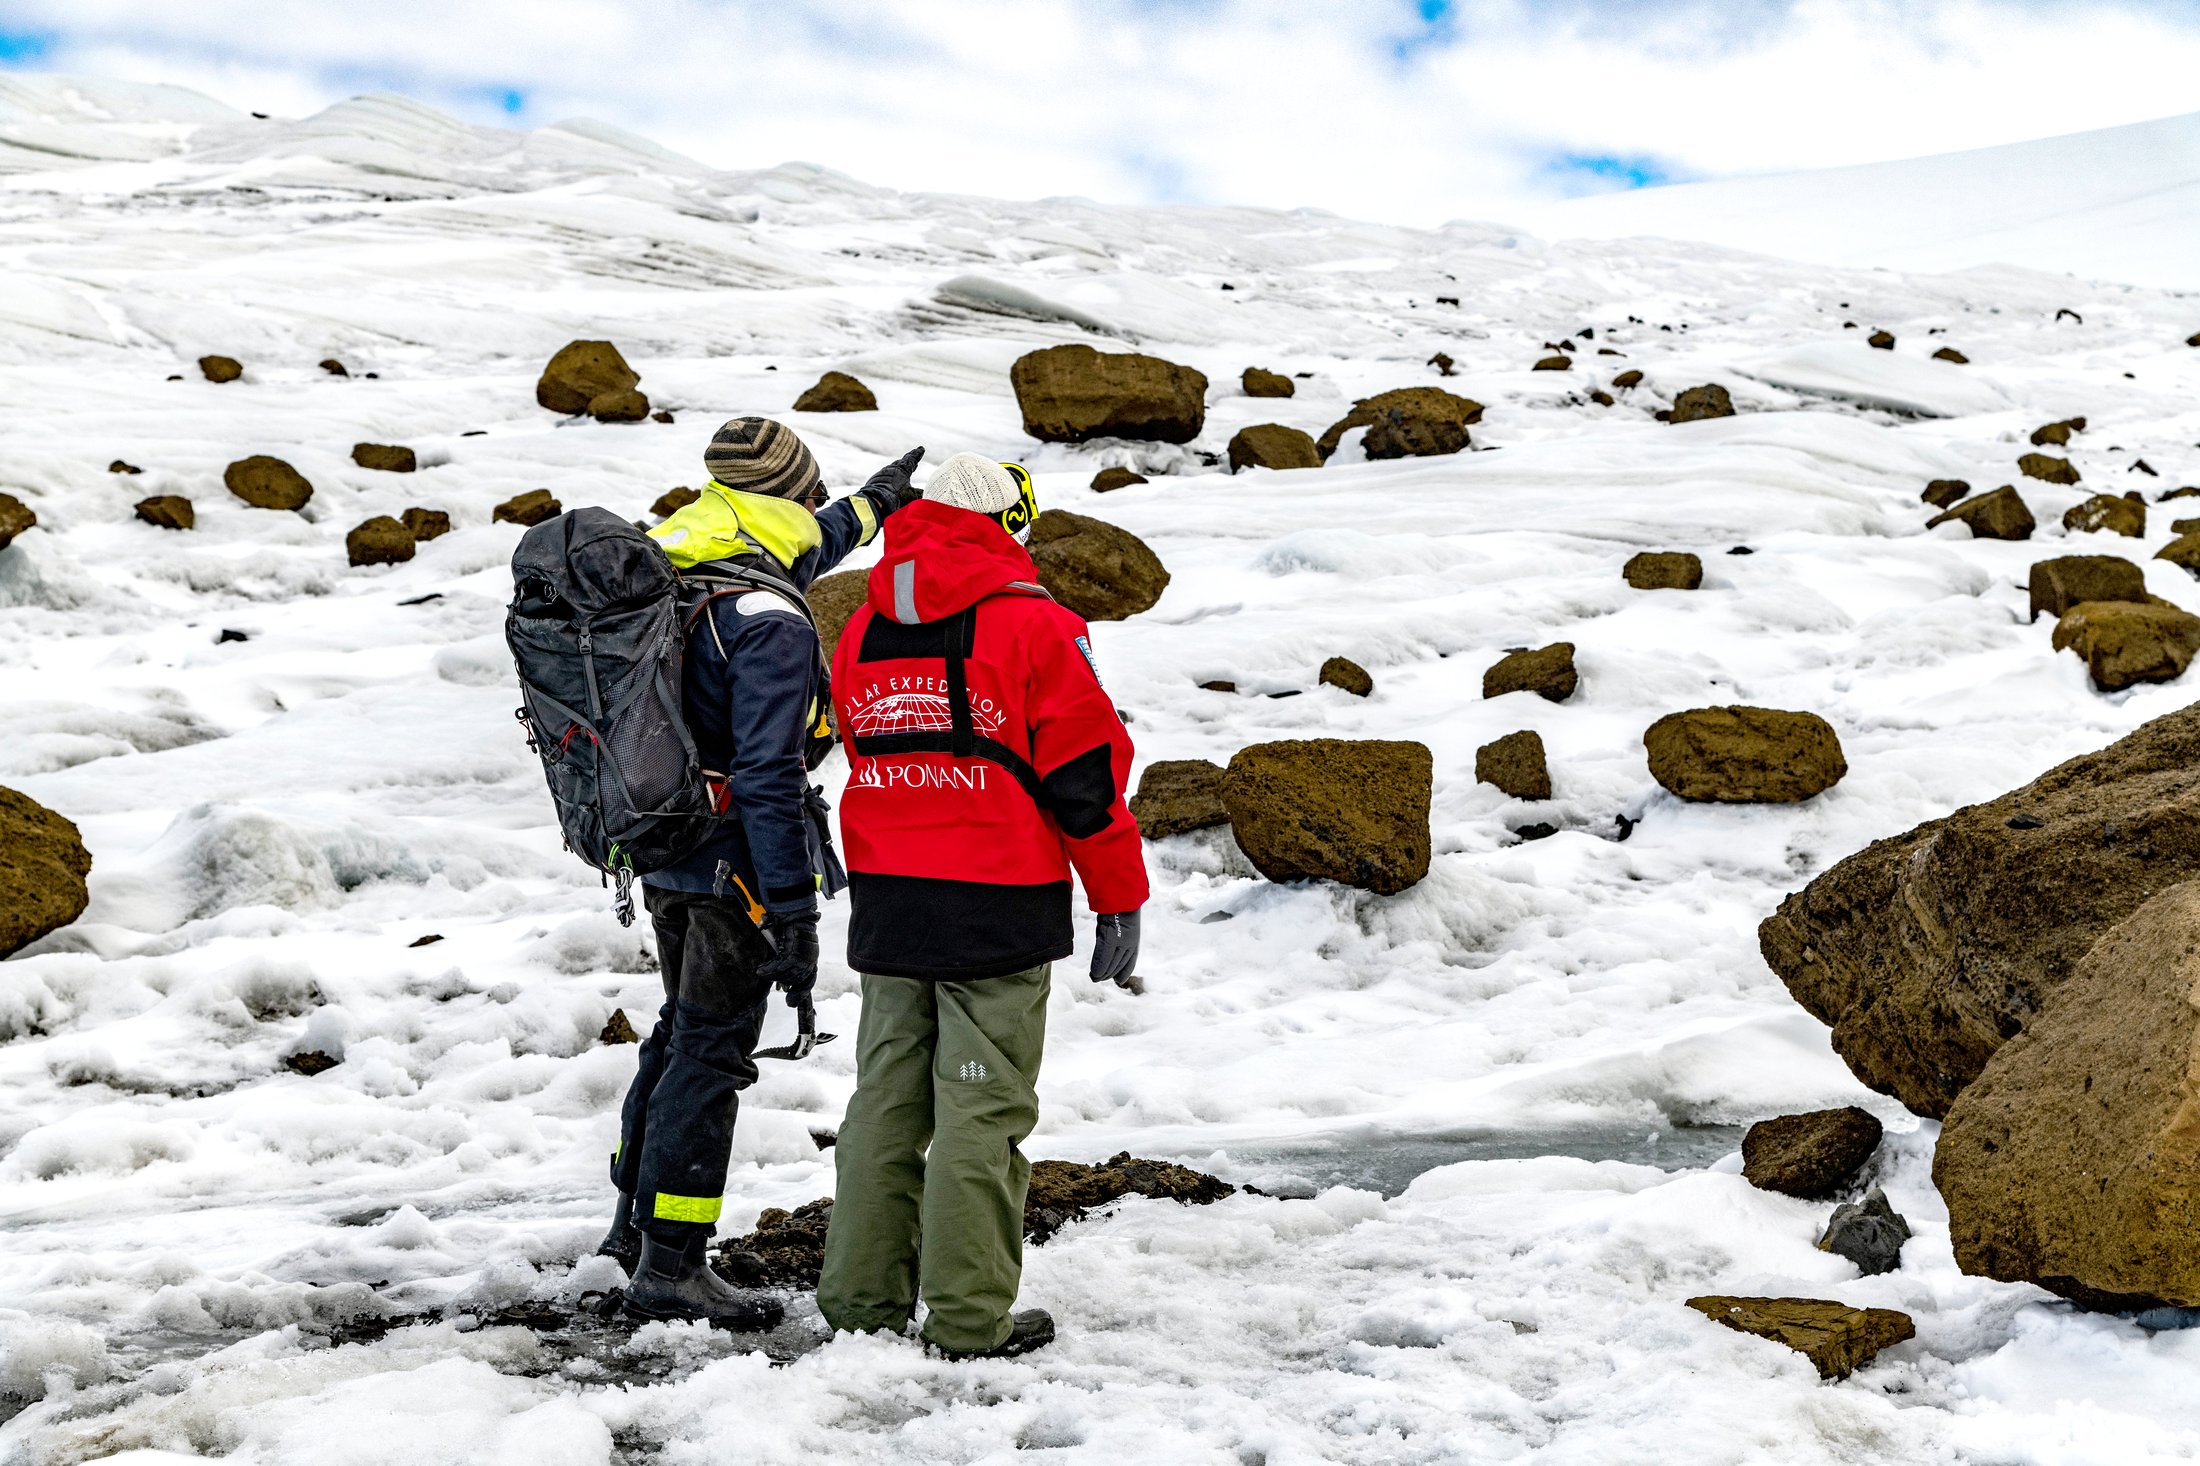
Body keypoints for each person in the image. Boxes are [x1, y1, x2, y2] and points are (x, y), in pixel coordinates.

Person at [815, 452, 1148, 1359]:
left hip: (889, 898)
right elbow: (1085, 780)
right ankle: (966, 1322)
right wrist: (1119, 897)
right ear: (1007, 524)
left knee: (883, 1104)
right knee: (980, 1111)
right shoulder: (1037, 625)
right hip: (997, 898)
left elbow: (860, 747)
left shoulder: (861, 628)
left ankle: (858, 1308)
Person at [599, 417, 924, 1331]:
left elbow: (817, 535)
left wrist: (880, 502)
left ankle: (631, 1230)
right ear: (789, 495)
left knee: (676, 1034)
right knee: (711, 1054)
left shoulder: (680, 566)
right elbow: (771, 776)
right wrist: (793, 909)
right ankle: (673, 1266)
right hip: (734, 867)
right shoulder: (771, 622)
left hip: (663, 847)